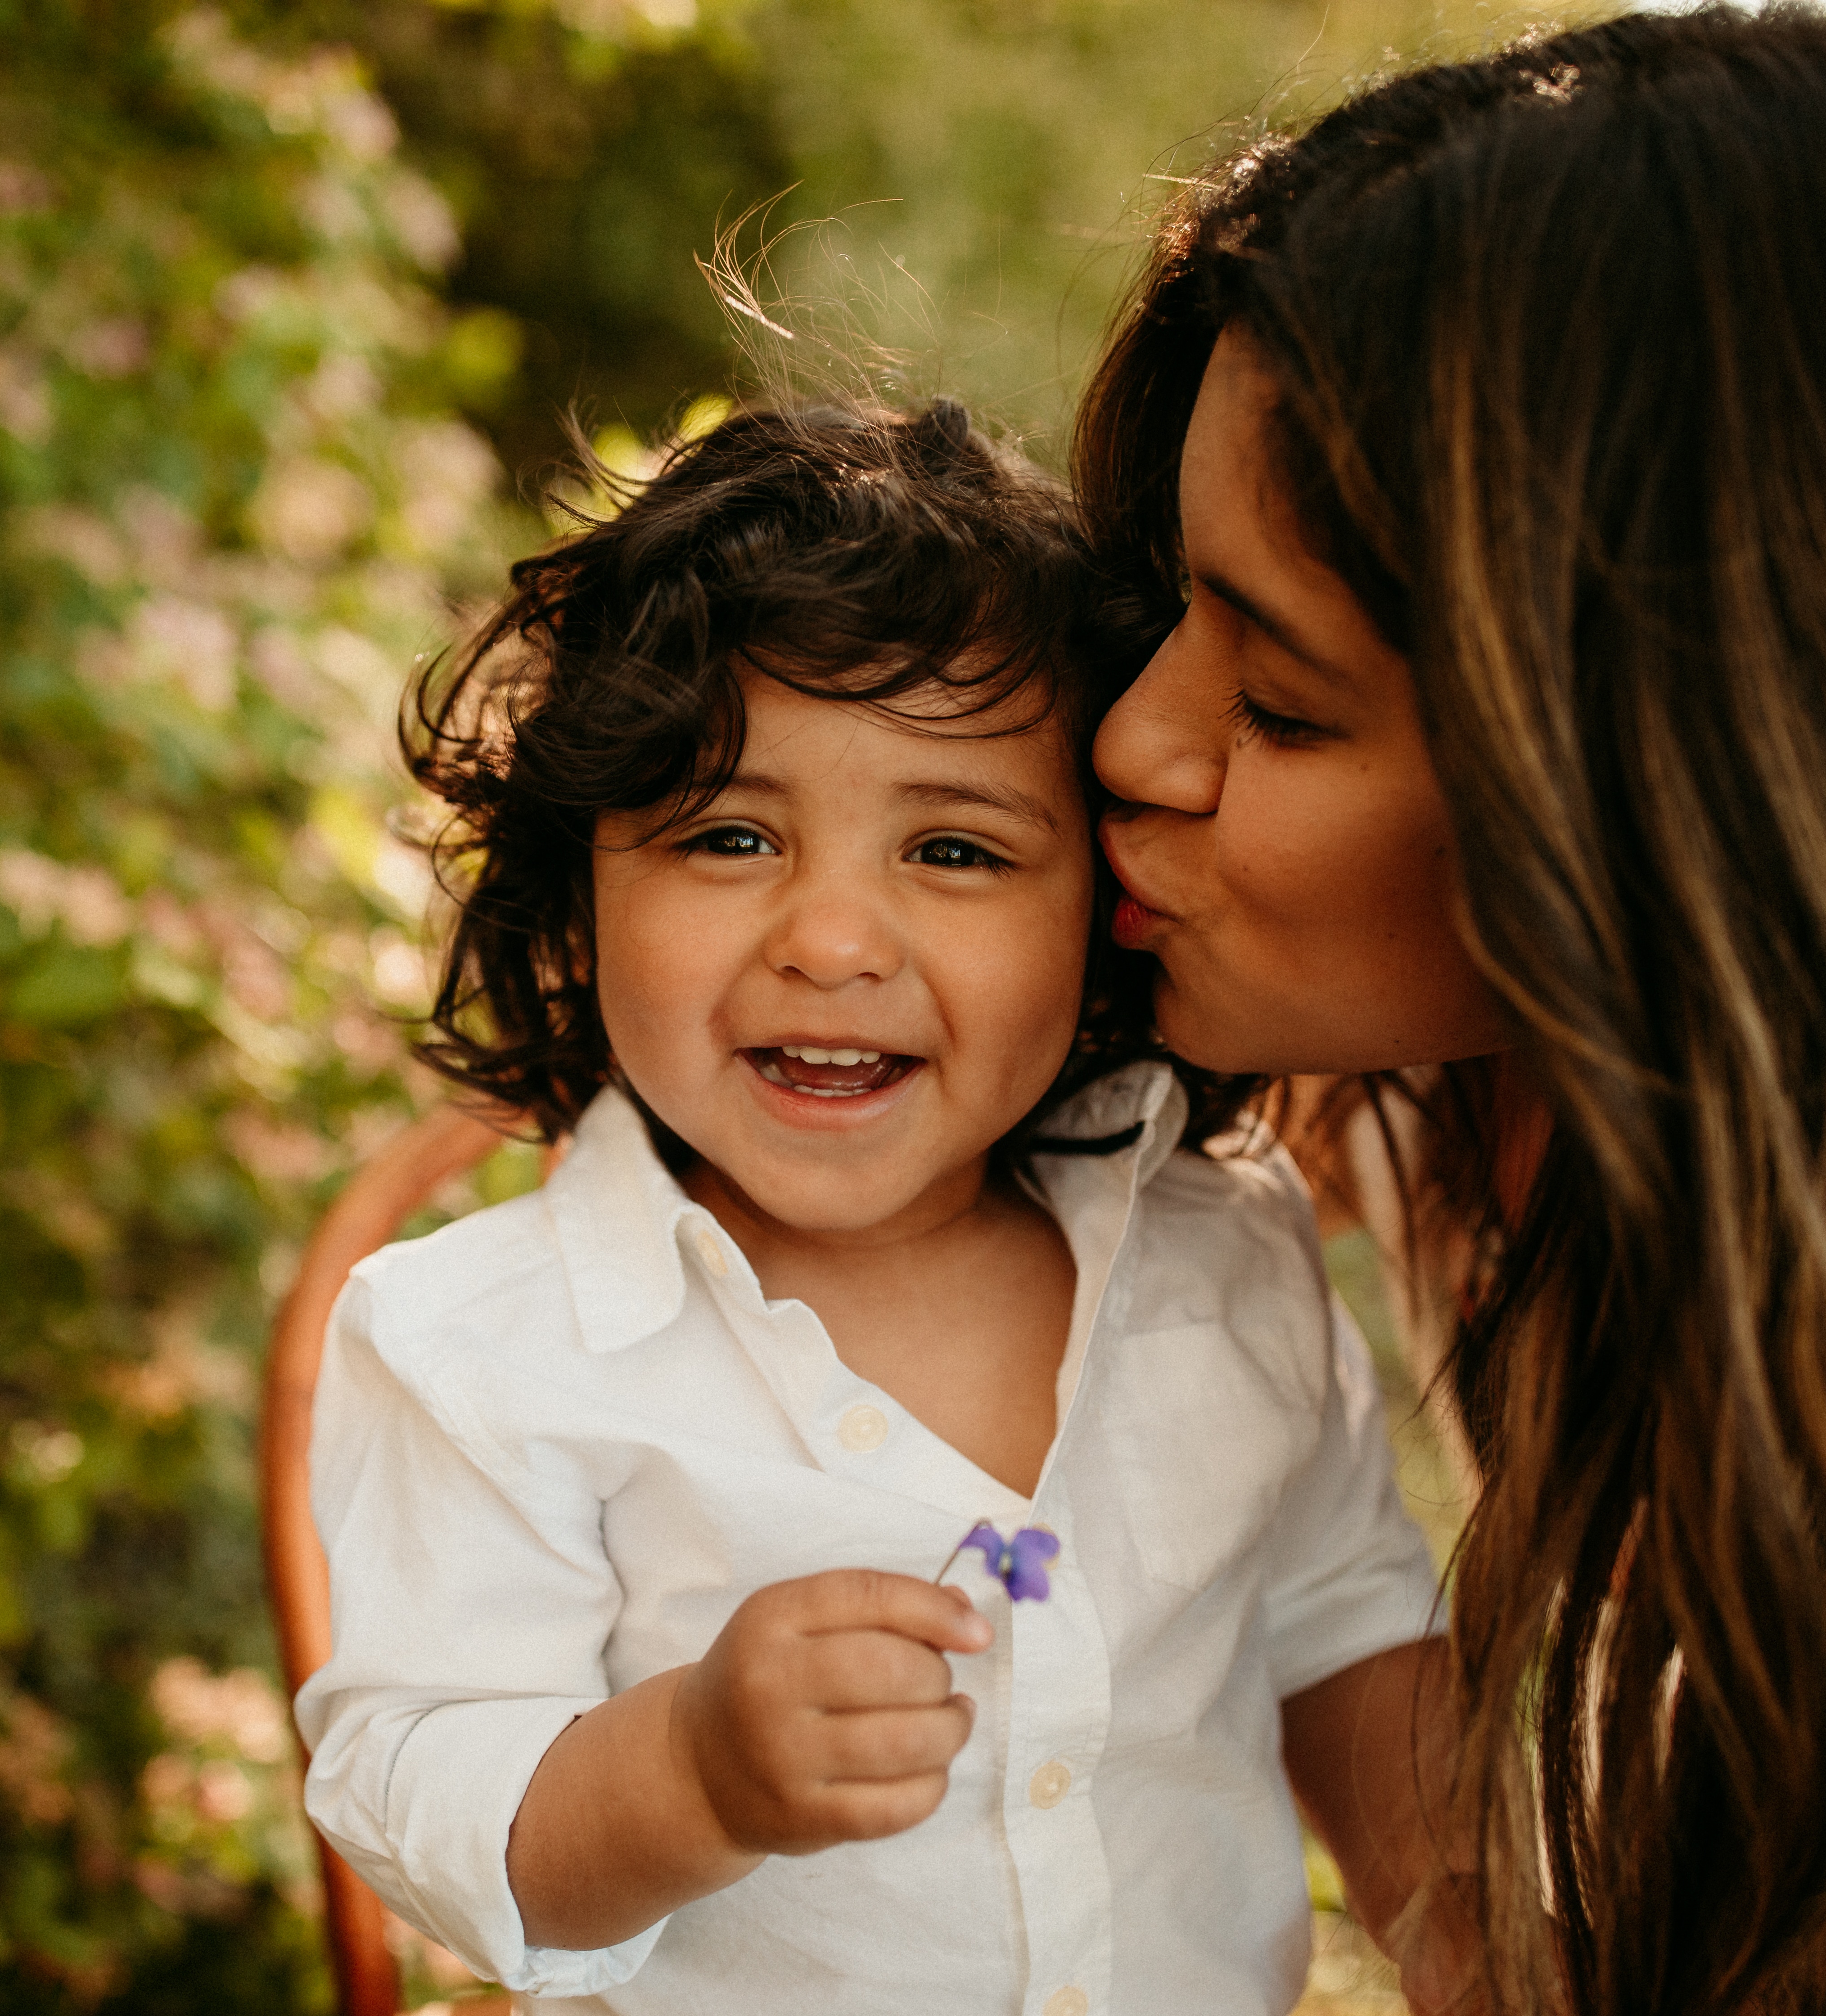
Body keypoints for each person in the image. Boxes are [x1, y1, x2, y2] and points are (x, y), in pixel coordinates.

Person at [1074, 6, 1826, 2014]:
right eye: (1165, 610)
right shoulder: (1484, 1096)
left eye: (1280, 701)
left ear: (1687, 774)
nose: (1133, 736)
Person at [293, 400, 1450, 2013]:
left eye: (958, 850)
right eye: (730, 833)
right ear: (581, 896)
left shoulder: (1218, 1244)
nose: (833, 939)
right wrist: (688, 1773)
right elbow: (422, 1785)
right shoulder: (487, 1349)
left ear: (1103, 911)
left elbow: (1344, 1626)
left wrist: (1478, 1939)